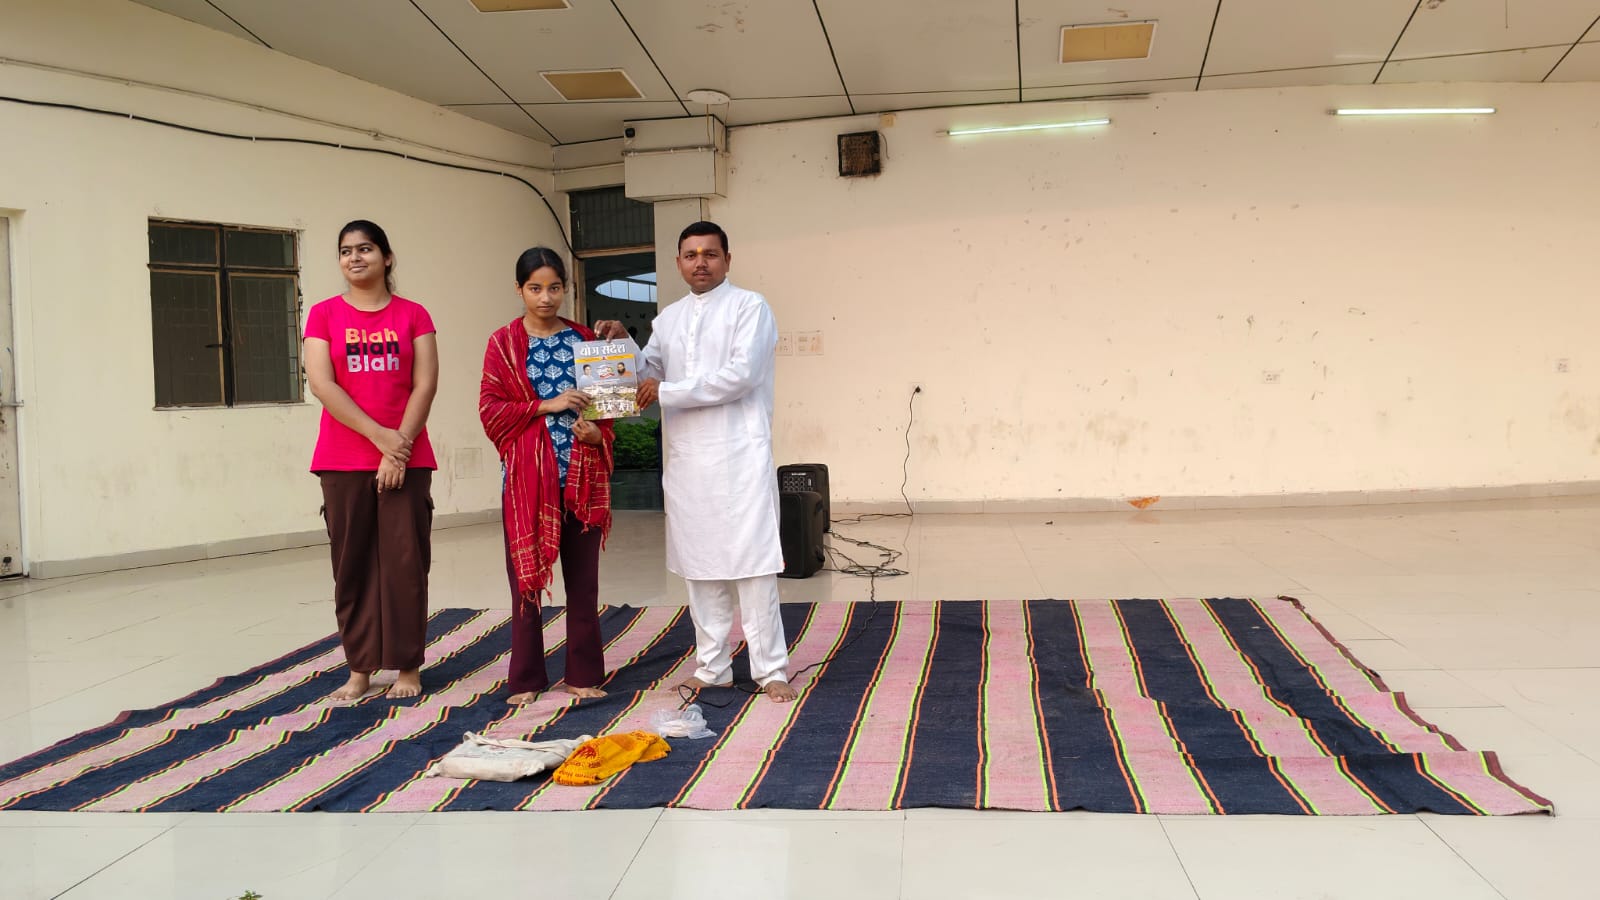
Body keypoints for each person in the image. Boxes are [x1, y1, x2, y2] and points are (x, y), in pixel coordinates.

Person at [595, 221, 795, 703]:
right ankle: (713, 667)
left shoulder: (750, 307)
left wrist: (666, 391)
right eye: (691, 255)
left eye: (709, 253)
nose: (700, 262)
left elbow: (741, 375)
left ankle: (770, 670)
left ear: (727, 259)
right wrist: (624, 344)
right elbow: (647, 372)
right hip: (689, 459)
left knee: (753, 566)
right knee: (701, 566)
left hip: (740, 453)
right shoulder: (669, 319)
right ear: (679, 263)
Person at [304, 220, 438, 701]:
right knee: (352, 565)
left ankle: (407, 666)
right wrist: (381, 439)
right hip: (343, 459)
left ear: (387, 257)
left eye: (365, 249)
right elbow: (322, 384)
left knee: (406, 564)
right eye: (346, 251)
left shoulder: (414, 315)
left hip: (407, 456)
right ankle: (359, 667)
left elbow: (425, 384)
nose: (355, 258)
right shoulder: (323, 315)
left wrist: (399, 446)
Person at [480, 247, 615, 704]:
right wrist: (547, 405)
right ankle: (526, 680)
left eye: (554, 287)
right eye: (535, 288)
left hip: (581, 477)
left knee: (583, 583)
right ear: (519, 289)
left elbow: (608, 409)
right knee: (525, 581)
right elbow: (490, 409)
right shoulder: (503, 344)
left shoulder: (585, 340)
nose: (545, 297)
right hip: (526, 482)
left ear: (565, 289)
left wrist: (597, 434)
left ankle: (583, 674)